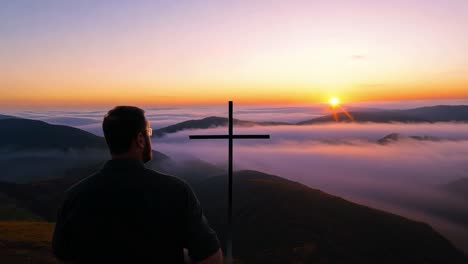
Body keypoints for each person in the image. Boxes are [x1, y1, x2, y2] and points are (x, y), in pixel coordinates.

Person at [52, 106, 222, 263]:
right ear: (140, 139)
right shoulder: (176, 191)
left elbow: (63, 254)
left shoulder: (75, 195)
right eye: (148, 132)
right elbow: (211, 258)